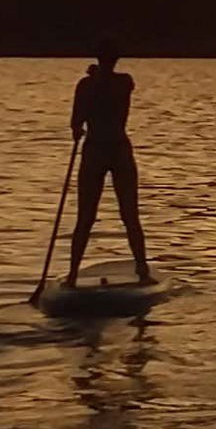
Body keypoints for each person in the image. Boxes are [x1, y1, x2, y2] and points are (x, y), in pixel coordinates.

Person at [64, 39, 154, 287]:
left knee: (127, 214)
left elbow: (77, 120)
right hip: (98, 150)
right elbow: (76, 122)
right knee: (88, 216)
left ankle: (142, 270)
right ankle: (72, 274)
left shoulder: (117, 82)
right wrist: (76, 129)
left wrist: (93, 76)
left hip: (114, 151)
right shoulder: (110, 82)